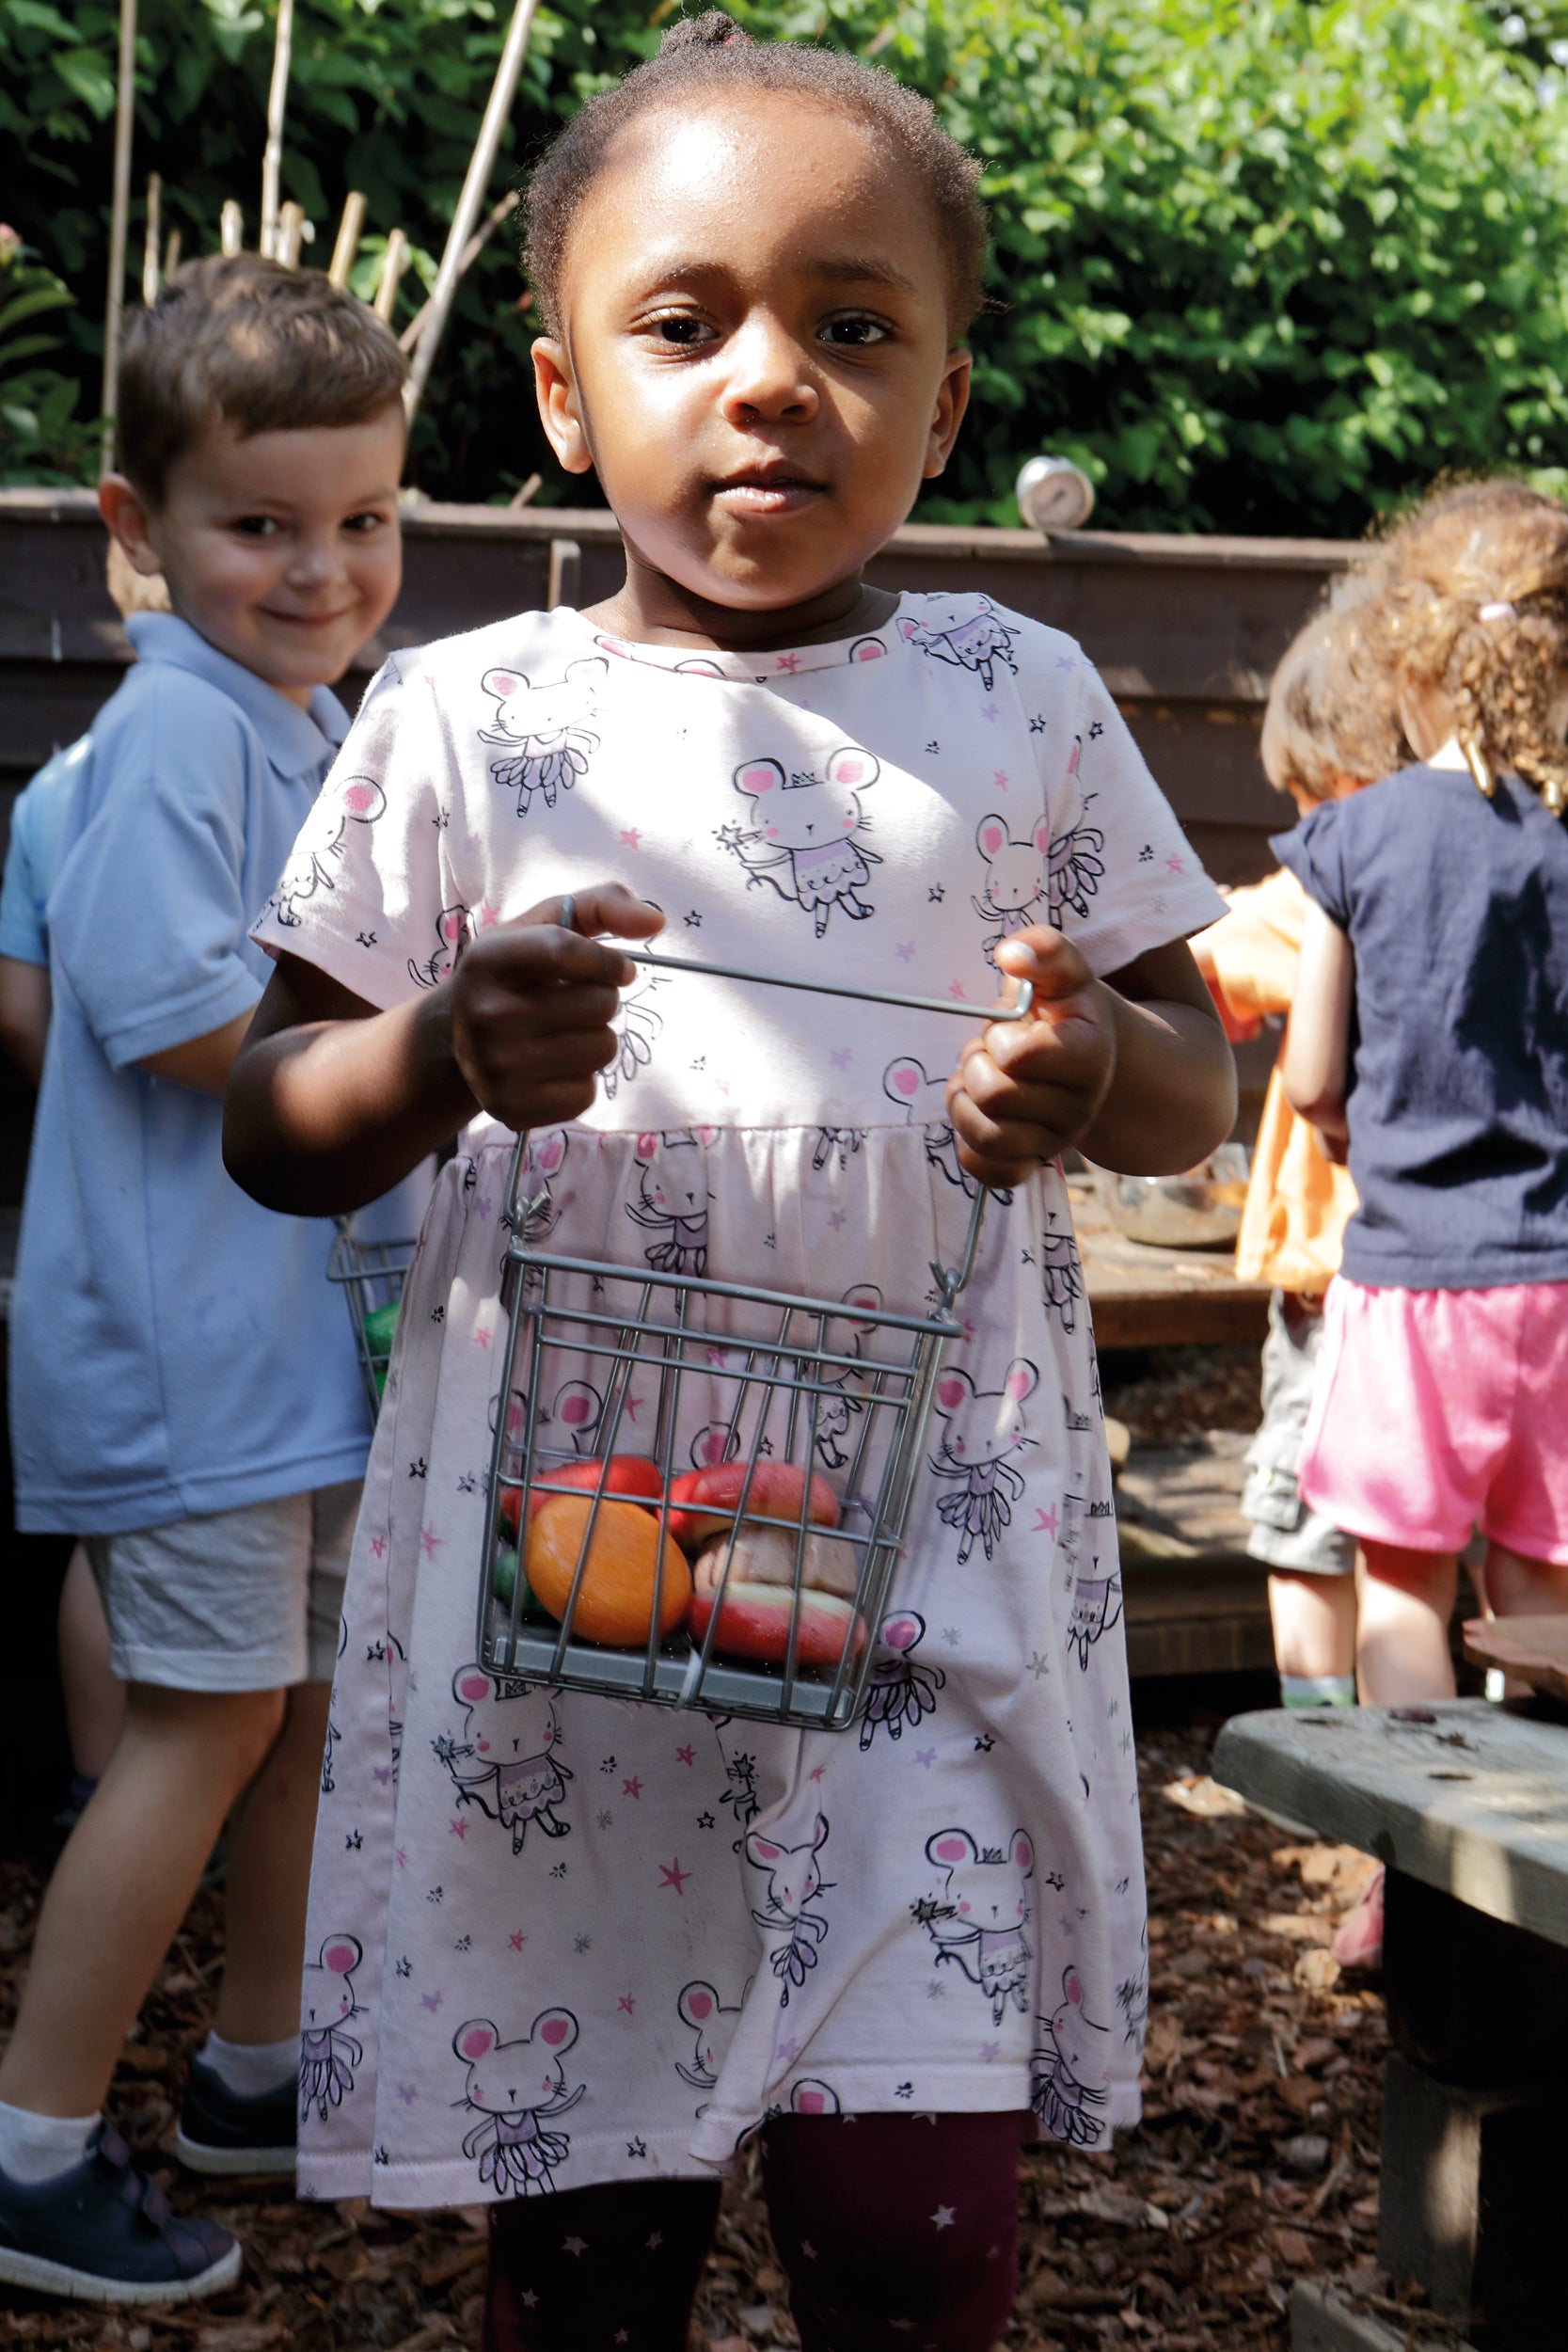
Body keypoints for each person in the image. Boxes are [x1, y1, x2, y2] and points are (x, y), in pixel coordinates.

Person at [225, 20, 1236, 2352]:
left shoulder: (1021, 697)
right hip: (571, 1620)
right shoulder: (466, 721)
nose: (770, 380)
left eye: (850, 326)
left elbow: (1192, 1079)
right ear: (569, 392)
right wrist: (434, 1049)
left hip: (930, 1579)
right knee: (588, 2251)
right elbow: (269, 1122)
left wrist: (1086, 1072)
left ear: (948, 406)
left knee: (914, 2234)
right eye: (688, 325)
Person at [0, 253, 407, 2305]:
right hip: (187, 1356)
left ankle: (257, 2063)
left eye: (365, 520)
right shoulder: (169, 736)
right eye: (263, 524)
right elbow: (173, 1018)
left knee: (294, 1708)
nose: (323, 567)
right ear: (137, 531)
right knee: (197, 1717)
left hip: (286, 1354)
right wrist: (428, 1044)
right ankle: (28, 2141)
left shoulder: (295, 710)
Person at [1281, 480, 1568, 1956]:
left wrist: (1345, 1127)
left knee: (1402, 1583)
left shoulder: (1358, 840)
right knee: (1538, 1583)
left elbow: (1313, 1072)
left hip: (1412, 1284)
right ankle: (1543, 1885)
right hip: (1560, 1288)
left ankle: (1420, 1893)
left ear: (1401, 654)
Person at [1193, 593, 1401, 1713]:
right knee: (1421, 1542)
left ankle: (1328, 1759)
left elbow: (1208, 953)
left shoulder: (1333, 876)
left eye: (1306, 799)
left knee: (1306, 1524)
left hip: (1336, 1277)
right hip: (1463, 1279)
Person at [0, 550, 173, 1818]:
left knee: (110, 1523)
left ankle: (92, 1792)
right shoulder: (280, 767)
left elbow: (19, 1011)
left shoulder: (52, 791)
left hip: (97, 1211)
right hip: (232, 1214)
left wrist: (102, 1107)